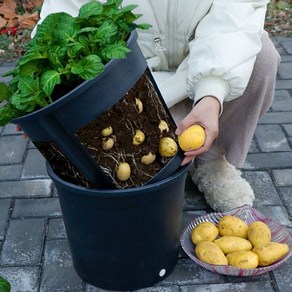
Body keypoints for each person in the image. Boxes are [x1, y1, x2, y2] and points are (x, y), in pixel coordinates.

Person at [32, 0, 280, 212]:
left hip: (203, 67)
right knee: (128, 170)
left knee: (262, 58)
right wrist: (47, 103)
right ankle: (156, 166)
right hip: (129, 79)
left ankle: (211, 163)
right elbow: (64, 16)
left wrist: (212, 94)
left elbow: (235, 18)